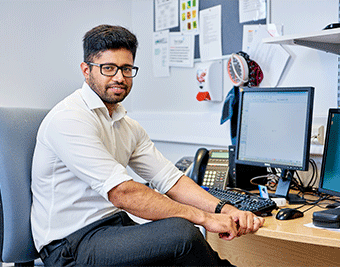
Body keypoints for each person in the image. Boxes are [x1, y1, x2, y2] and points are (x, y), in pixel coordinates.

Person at [31, 24, 264, 266]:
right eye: (108, 68)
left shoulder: (126, 124)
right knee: (181, 234)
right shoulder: (69, 119)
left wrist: (224, 209)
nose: (119, 77)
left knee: (176, 239)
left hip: (112, 228)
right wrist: (204, 218)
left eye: (126, 68)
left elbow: (170, 179)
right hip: (70, 245)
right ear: (86, 70)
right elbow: (123, 193)